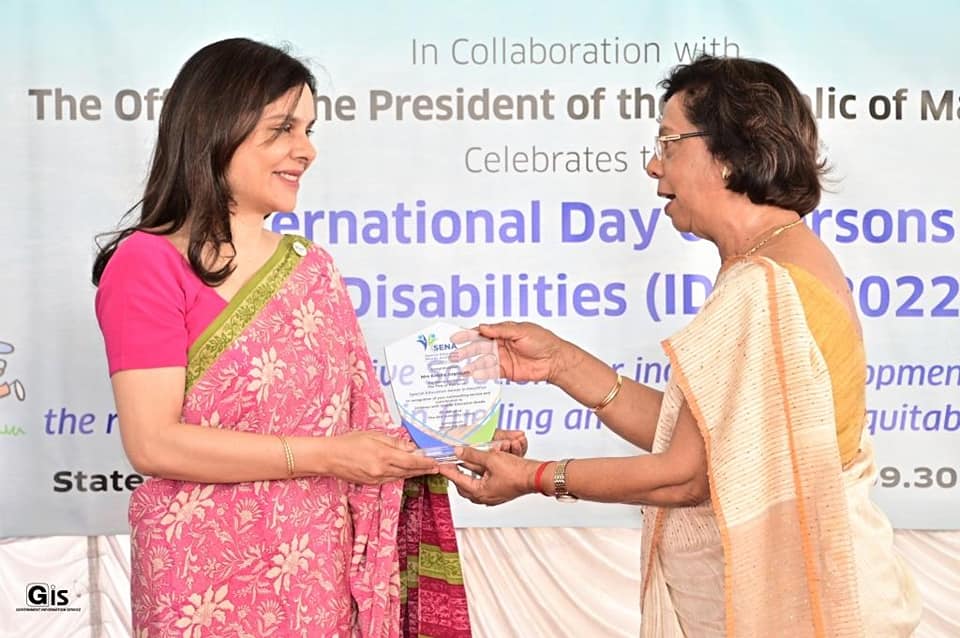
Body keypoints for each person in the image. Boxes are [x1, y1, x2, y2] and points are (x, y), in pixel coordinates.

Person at [440, 54, 922, 637]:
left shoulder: (762, 285)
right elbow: (709, 444)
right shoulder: (780, 261)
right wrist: (560, 363)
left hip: (811, 605)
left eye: (668, 144)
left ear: (730, 153)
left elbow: (684, 475)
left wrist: (534, 477)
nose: (653, 165)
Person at [92, 38, 487, 637]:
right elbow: (153, 444)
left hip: (318, 574)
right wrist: (327, 457)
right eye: (282, 130)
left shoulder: (312, 268)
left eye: (308, 130)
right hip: (200, 583)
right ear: (214, 130)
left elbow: (355, 430)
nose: (307, 150)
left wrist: (456, 443)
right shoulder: (148, 264)